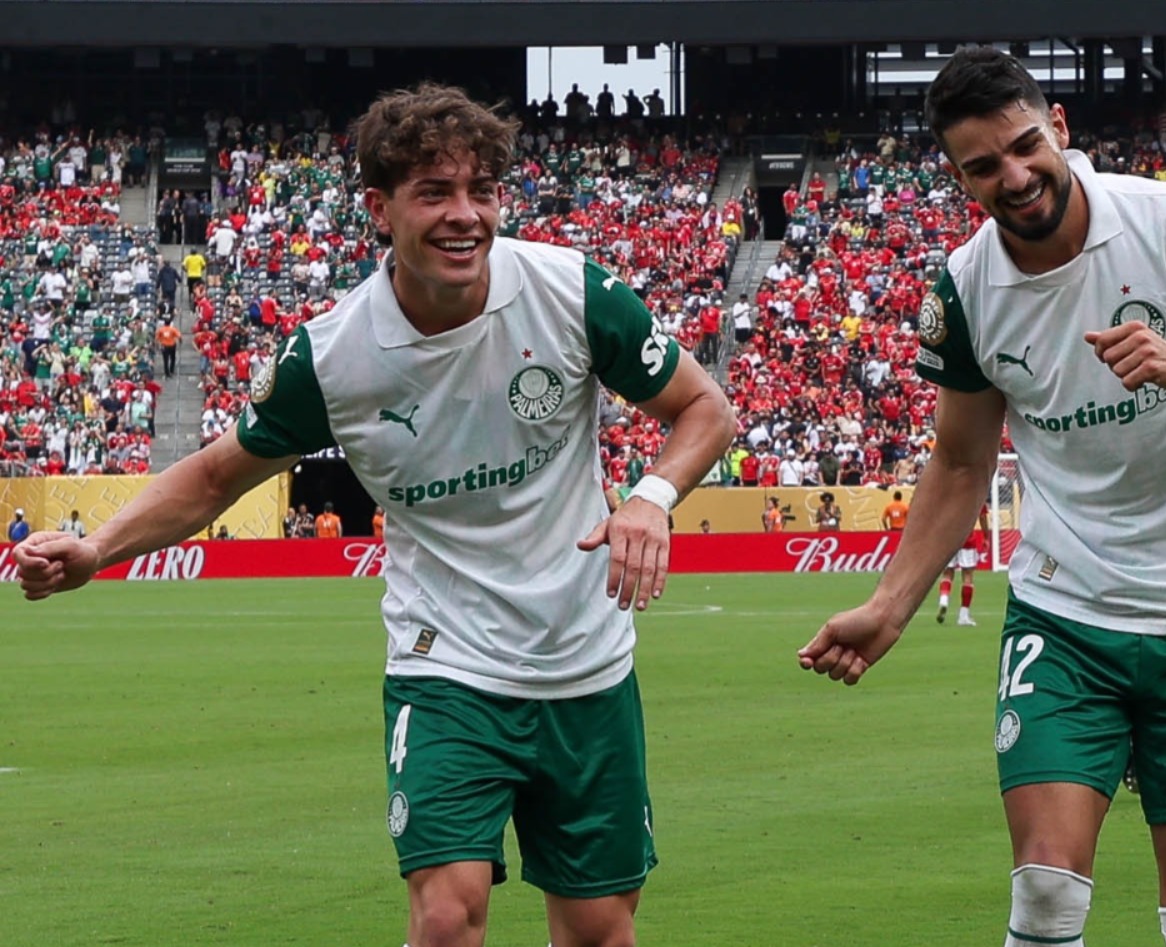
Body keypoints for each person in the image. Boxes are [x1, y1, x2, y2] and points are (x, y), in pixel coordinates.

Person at [14, 82, 735, 947]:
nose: (464, 215)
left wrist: (653, 496)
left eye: (482, 191)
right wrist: (97, 548)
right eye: (434, 192)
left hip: (585, 664)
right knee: (444, 916)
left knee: (597, 933)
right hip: (445, 666)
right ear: (378, 207)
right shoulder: (334, 356)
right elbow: (214, 477)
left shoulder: (573, 292)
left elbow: (706, 410)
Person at [798, 47, 1166, 947]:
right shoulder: (964, 288)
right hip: (1066, 614)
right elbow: (960, 462)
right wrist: (889, 607)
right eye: (983, 166)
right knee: (1044, 883)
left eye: (1026, 145)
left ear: (1060, 130)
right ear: (959, 178)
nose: (1016, 176)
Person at [935, 503, 988, 627]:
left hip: (948, 538)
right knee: (968, 576)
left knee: (947, 573)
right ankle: (963, 616)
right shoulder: (977, 493)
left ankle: (944, 600)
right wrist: (986, 537)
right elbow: (983, 517)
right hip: (967, 539)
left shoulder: (950, 493)